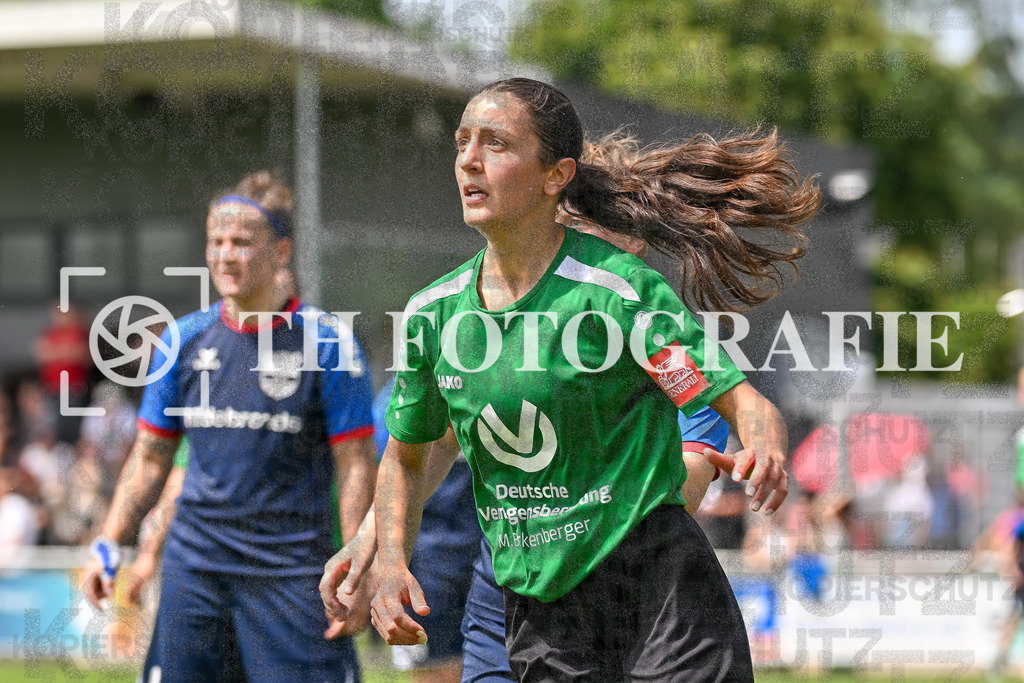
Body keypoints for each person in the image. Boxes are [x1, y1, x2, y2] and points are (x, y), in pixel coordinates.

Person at [359, 78, 819, 682]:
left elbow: (737, 403)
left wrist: (764, 442)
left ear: (556, 176)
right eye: (462, 141)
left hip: (659, 596)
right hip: (537, 608)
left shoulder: (619, 299)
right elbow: (409, 456)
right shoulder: (432, 317)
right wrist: (387, 558)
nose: (469, 159)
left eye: (496, 143)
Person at [79, 171, 377, 682]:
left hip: (290, 573)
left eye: (242, 242)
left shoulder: (329, 346)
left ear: (281, 251)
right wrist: (109, 543)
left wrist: (357, 568)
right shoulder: (183, 341)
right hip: (196, 569)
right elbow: (151, 458)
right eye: (216, 241)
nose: (225, 255)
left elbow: (355, 467)